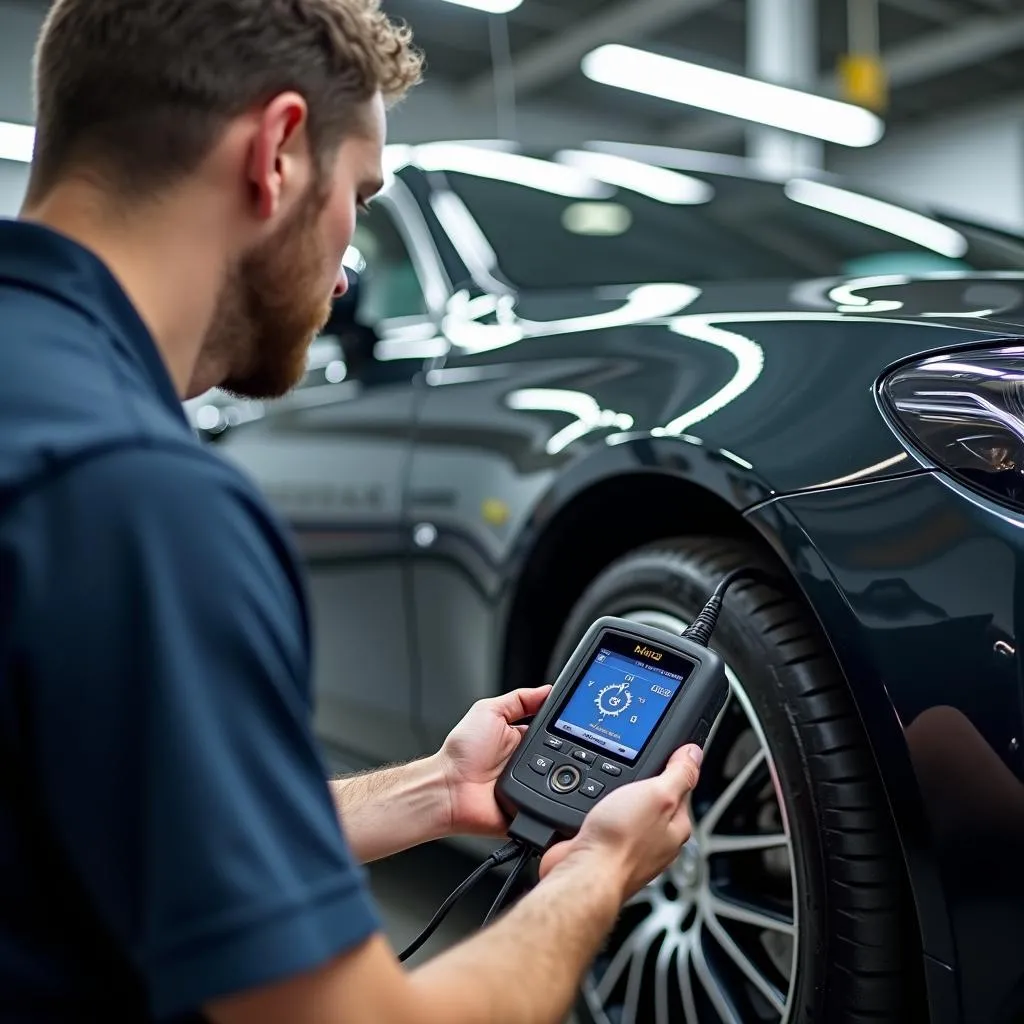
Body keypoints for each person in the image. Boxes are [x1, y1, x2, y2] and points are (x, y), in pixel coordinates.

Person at [0, 1, 704, 1022]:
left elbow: (114, 818)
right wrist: (596, 871)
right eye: (360, 197)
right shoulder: (134, 498)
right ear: (278, 152)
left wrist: (430, 791)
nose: (343, 269)